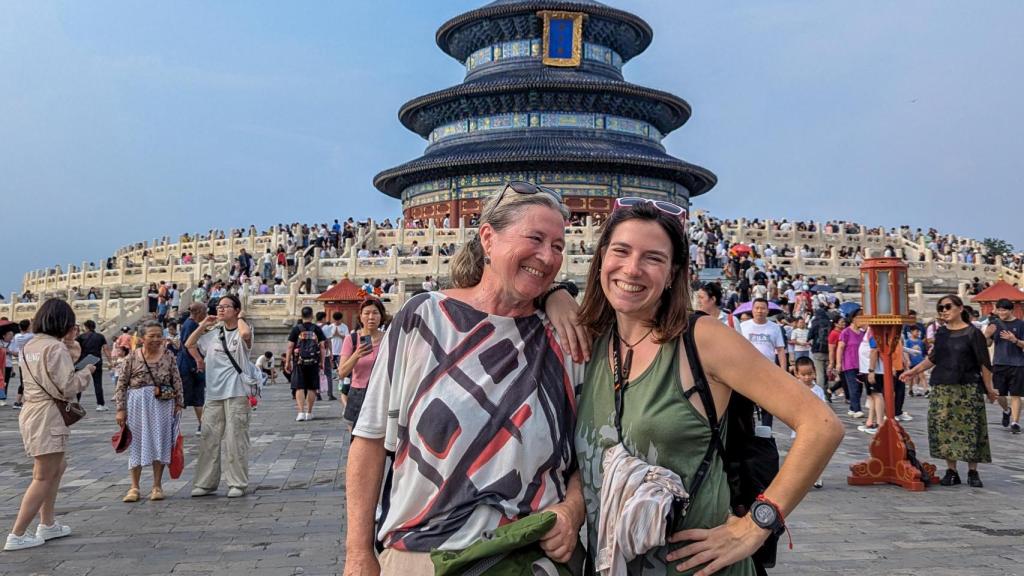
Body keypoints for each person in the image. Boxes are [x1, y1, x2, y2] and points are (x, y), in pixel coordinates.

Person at [570, 200, 842, 575]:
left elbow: (821, 424)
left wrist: (756, 525)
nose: (632, 268)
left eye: (653, 258)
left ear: (672, 274)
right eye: (621, 251)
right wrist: (554, 295)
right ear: (600, 259)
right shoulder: (590, 342)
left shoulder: (702, 339)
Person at [344, 182, 585, 575]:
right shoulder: (423, 320)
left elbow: (595, 452)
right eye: (535, 238)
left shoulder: (564, 337)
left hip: (526, 557)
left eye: (558, 246)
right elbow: (369, 440)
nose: (547, 256)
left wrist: (572, 510)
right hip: (421, 554)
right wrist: (357, 553)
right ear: (488, 238)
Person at [5, 299, 95, 551]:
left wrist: (69, 345)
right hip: (48, 414)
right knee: (43, 475)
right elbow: (67, 387)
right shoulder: (54, 348)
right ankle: (18, 533)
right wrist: (86, 371)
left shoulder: (30, 345)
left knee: (58, 465)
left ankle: (48, 523)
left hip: (32, 411)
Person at [900, 295, 998, 487]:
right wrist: (913, 371)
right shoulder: (942, 333)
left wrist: (989, 388)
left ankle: (973, 471)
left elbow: (984, 363)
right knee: (944, 429)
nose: (944, 311)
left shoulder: (973, 333)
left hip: (967, 387)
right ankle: (951, 470)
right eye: (940, 308)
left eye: (947, 306)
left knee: (971, 429)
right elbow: (934, 358)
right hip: (942, 387)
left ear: (960, 308)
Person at [184, 294, 254, 498]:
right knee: (209, 438)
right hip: (214, 393)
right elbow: (189, 344)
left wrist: (240, 317)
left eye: (226, 306)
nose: (221, 309)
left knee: (235, 439)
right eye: (218, 306)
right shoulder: (213, 333)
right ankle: (205, 483)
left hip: (237, 393)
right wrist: (204, 323)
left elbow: (246, 336)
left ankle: (237, 483)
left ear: (236, 309)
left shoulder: (242, 330)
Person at [113, 322, 184, 503]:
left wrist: (179, 403)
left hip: (162, 404)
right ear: (142, 338)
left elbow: (176, 379)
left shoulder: (168, 356)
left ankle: (157, 485)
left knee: (160, 441)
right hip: (138, 402)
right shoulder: (132, 357)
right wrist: (121, 409)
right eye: (151, 336)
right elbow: (121, 384)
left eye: (159, 335)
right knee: (136, 442)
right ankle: (134, 486)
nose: (155, 339)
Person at [338, 298, 387, 427]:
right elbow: (342, 373)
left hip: (382, 393)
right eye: (367, 313)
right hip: (358, 394)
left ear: (381, 316)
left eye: (375, 313)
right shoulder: (352, 339)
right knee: (356, 440)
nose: (371, 317)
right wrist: (356, 355)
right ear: (360, 316)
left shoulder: (389, 338)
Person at [983, 298, 1024, 433]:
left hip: (1018, 364)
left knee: (1016, 394)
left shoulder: (1020, 324)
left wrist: (1015, 340)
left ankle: (1015, 422)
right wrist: (987, 335)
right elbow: (987, 344)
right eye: (999, 309)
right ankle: (1006, 410)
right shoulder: (994, 324)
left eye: (1004, 310)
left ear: (1011, 310)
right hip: (999, 363)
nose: (1001, 312)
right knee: (1000, 394)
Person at [286, 306, 327, 422]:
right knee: (311, 387)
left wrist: (288, 361)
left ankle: (300, 413)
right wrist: (322, 362)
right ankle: (309, 412)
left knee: (299, 386)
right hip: (313, 361)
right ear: (312, 315)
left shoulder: (296, 329)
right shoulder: (316, 329)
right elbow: (322, 346)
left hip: (299, 361)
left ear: (301, 315)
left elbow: (290, 346)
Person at [793, 356, 827, 488]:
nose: (807, 377)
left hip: (815, 426)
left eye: (810, 374)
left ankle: (817, 477)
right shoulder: (796, 388)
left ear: (814, 372)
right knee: (800, 454)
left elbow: (823, 408)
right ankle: (801, 479)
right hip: (800, 426)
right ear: (797, 374)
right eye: (803, 374)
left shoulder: (818, 390)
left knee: (815, 454)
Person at [177, 303, 207, 436]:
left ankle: (203, 424)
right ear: (199, 311)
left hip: (192, 366)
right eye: (205, 311)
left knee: (198, 396)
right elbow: (189, 345)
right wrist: (198, 360)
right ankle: (173, 426)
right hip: (188, 366)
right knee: (182, 397)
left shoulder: (191, 324)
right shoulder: (191, 325)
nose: (206, 314)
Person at [836, 309, 867, 418]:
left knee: (859, 387)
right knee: (853, 387)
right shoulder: (846, 332)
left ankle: (852, 408)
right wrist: (838, 363)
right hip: (849, 364)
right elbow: (840, 348)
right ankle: (857, 409)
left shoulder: (863, 333)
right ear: (854, 319)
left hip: (861, 364)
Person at [75, 320, 110, 411]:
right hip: (96, 361)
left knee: (79, 382)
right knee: (98, 383)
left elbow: (75, 349)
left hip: (83, 362)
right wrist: (110, 361)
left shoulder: (81, 337)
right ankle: (100, 404)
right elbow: (106, 349)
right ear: (94, 327)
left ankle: (76, 404)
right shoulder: (100, 336)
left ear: (85, 327)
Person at [10, 320, 35, 409]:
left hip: (21, 361)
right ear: (28, 327)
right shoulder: (31, 336)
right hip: (30, 361)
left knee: (22, 382)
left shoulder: (17, 336)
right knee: (29, 382)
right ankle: (25, 402)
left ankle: (18, 401)